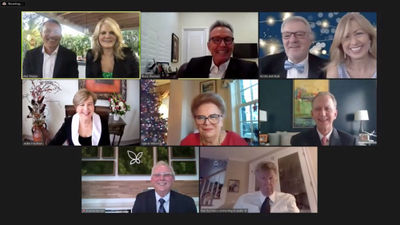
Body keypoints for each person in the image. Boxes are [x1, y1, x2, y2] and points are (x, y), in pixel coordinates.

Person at [179, 20, 258, 79]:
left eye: (227, 39)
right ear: (208, 46)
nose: (222, 45)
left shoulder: (250, 69)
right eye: (216, 40)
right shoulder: (194, 64)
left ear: (233, 45)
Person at [259, 16, 328, 78]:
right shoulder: (264, 65)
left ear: (310, 39)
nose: (293, 40)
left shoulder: (327, 67)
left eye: (299, 34)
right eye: (287, 35)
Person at [180, 92, 248, 146]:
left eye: (213, 116)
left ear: (222, 119)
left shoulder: (236, 141)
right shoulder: (187, 141)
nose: (206, 123)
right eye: (201, 117)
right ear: (195, 120)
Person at [290, 91, 356, 146]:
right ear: (312, 114)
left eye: (327, 109)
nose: (322, 114)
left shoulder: (350, 141)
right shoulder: (297, 140)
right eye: (318, 109)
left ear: (335, 114)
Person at [132, 161, 197, 213]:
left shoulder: (188, 203)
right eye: (157, 175)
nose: (162, 178)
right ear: (151, 179)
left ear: (173, 179)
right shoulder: (140, 200)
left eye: (166, 175)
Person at [233, 161, 299, 213]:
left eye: (271, 178)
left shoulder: (288, 199)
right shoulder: (243, 200)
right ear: (258, 180)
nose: (268, 182)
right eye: (263, 178)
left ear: (276, 179)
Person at [326, 12, 377, 78]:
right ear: (340, 44)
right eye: (346, 37)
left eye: (359, 33)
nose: (354, 42)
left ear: (370, 37)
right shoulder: (334, 70)